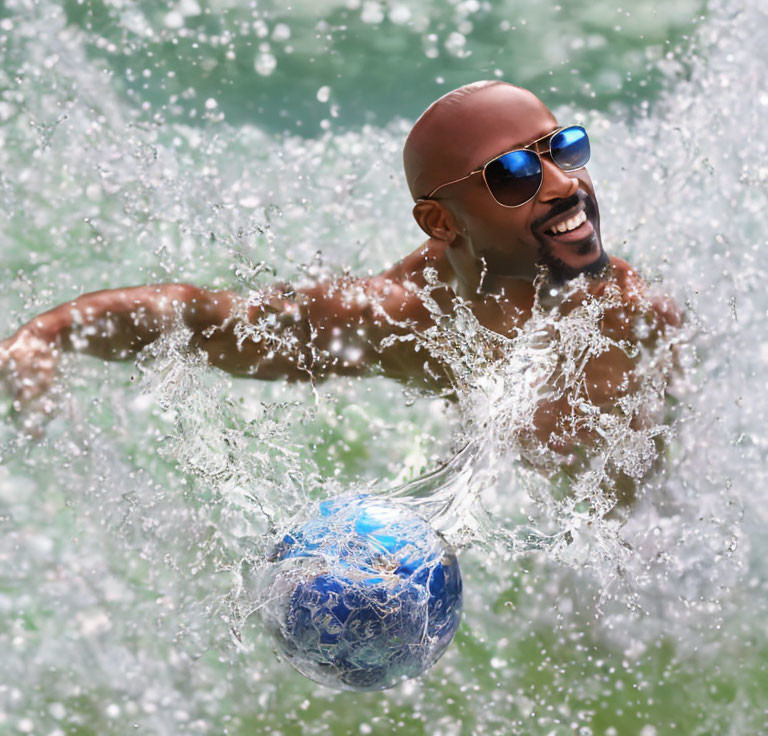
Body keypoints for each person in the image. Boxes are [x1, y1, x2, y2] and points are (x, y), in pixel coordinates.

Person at [0, 81, 679, 451]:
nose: (562, 183)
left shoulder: (638, 313)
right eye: (513, 174)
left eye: (563, 148)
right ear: (441, 224)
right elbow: (212, 323)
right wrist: (50, 332)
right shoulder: (403, 315)